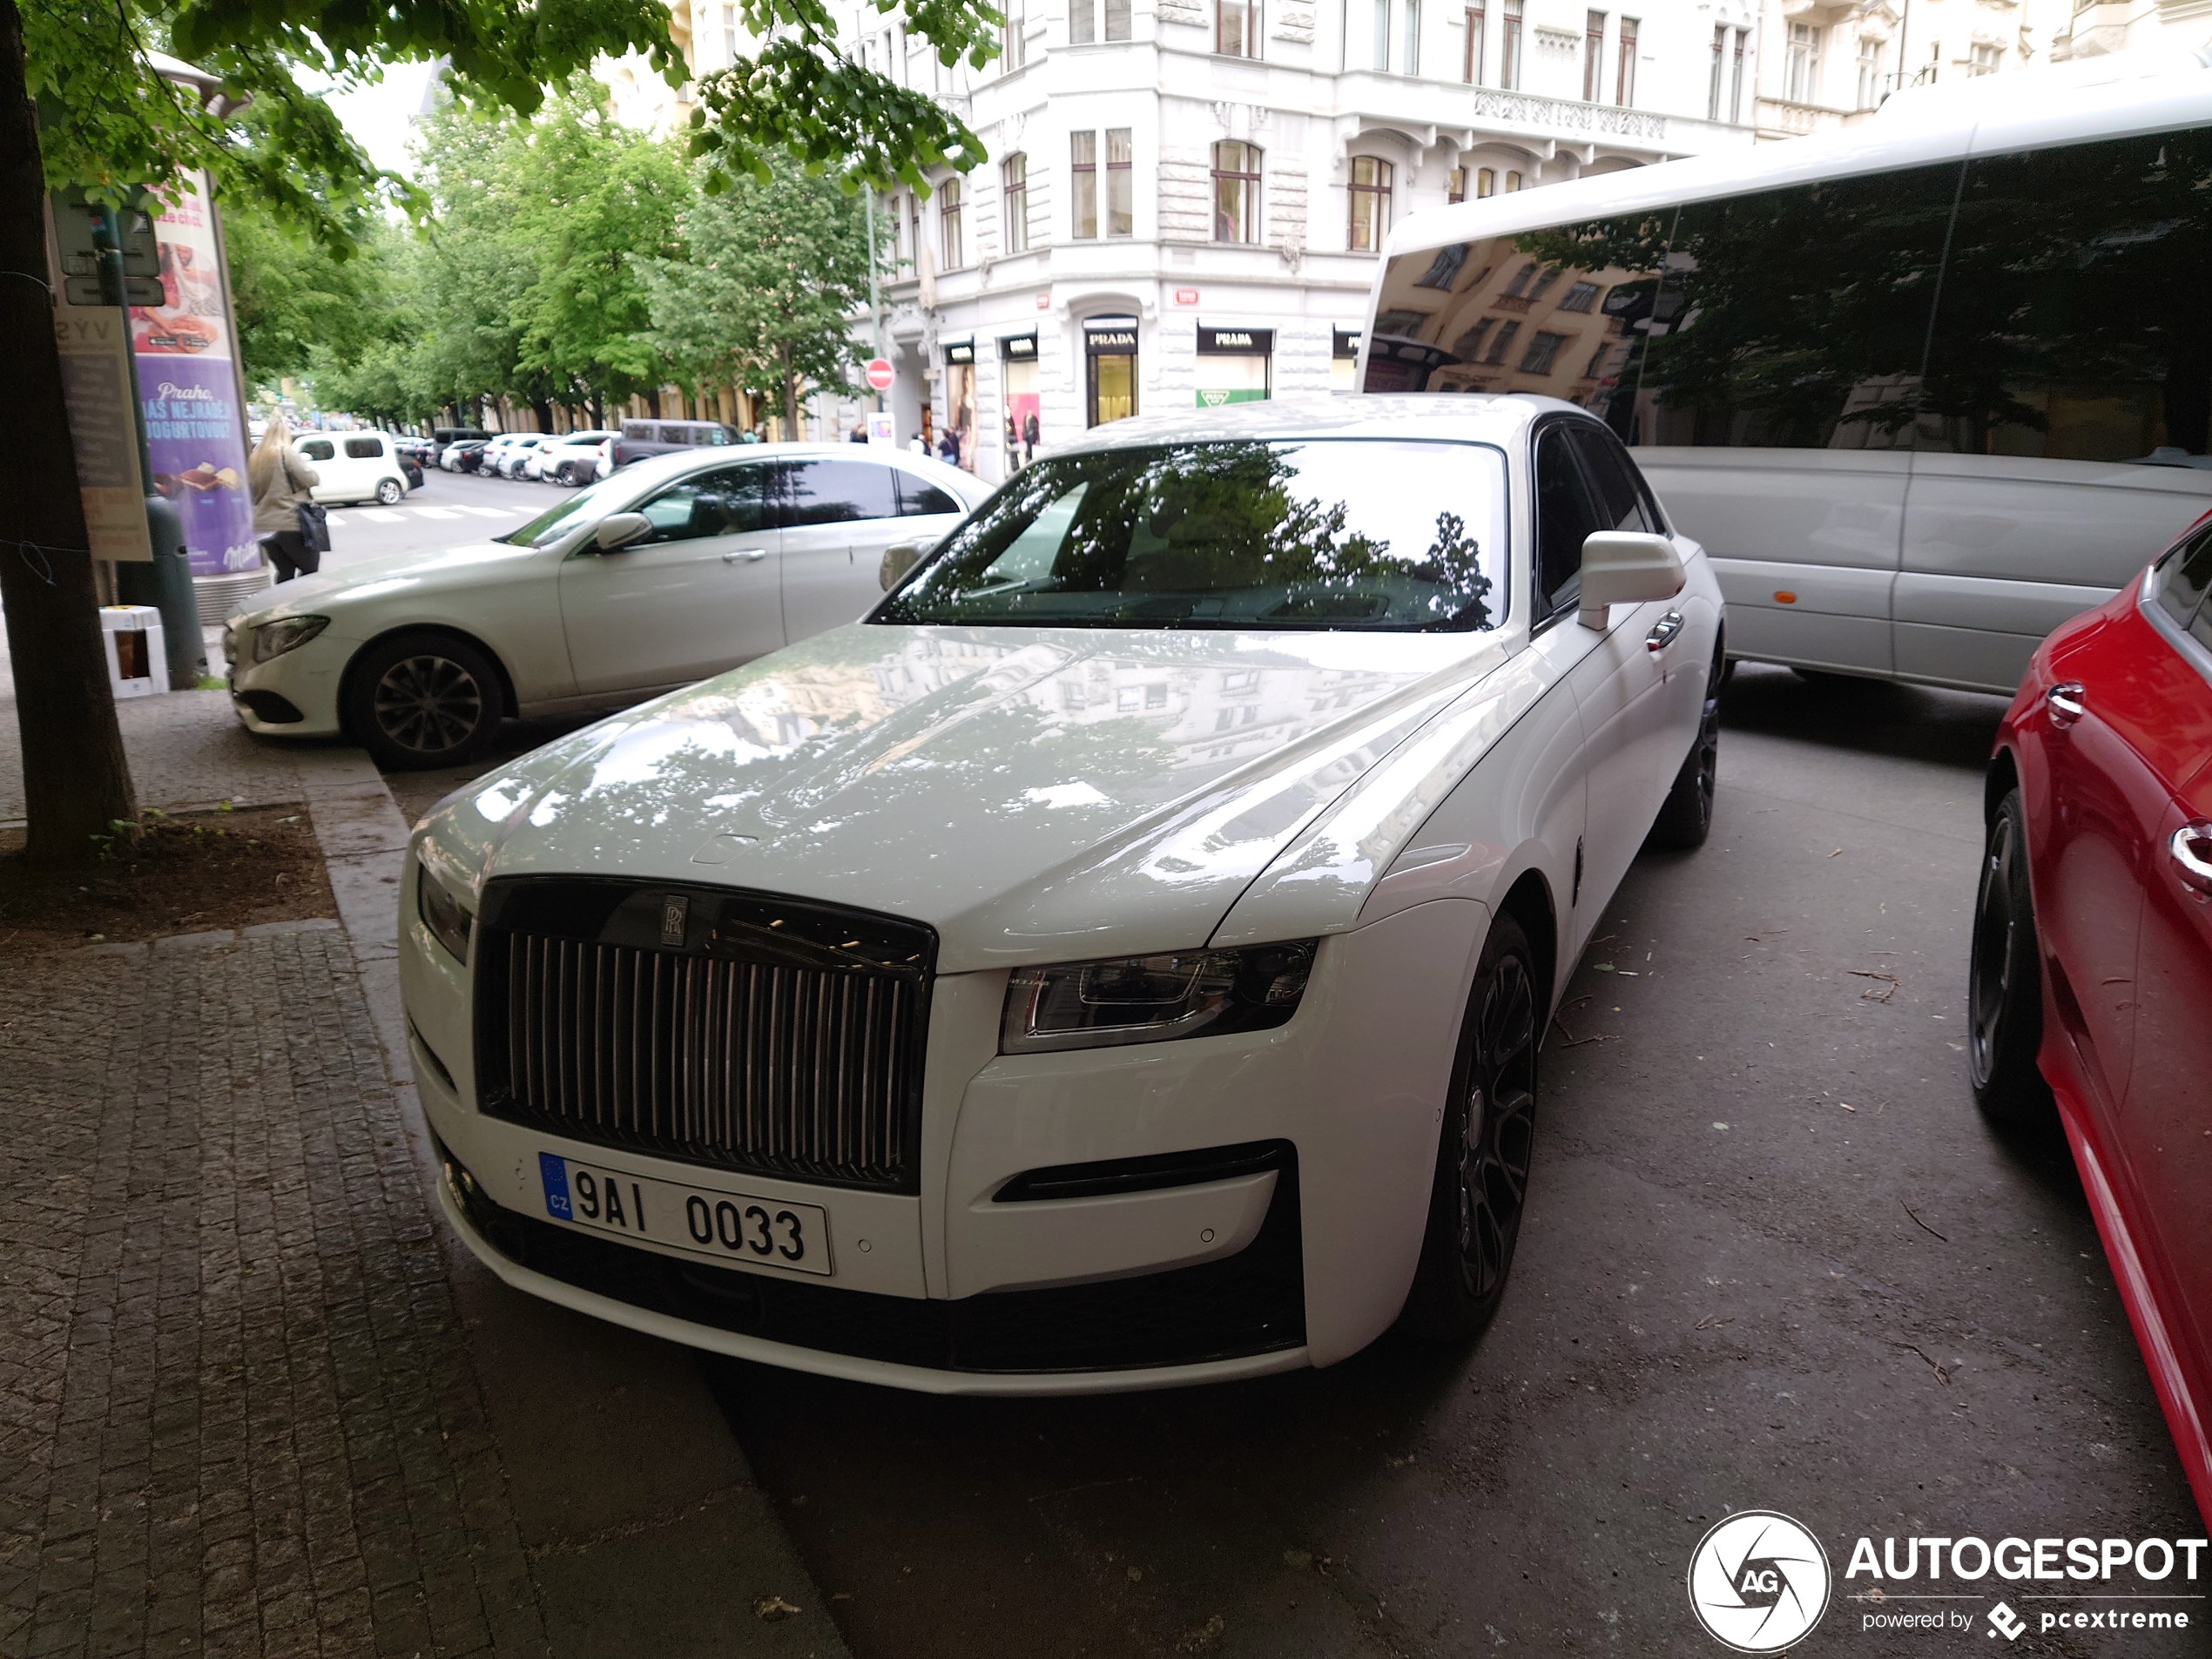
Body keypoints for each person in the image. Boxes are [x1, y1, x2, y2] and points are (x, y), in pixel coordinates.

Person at [248, 417, 320, 583]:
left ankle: (281, 606)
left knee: (285, 572)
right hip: (289, 522)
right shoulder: (286, 454)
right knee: (310, 570)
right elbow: (311, 479)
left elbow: (250, 491)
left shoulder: (255, 459)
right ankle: (302, 606)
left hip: (263, 526)